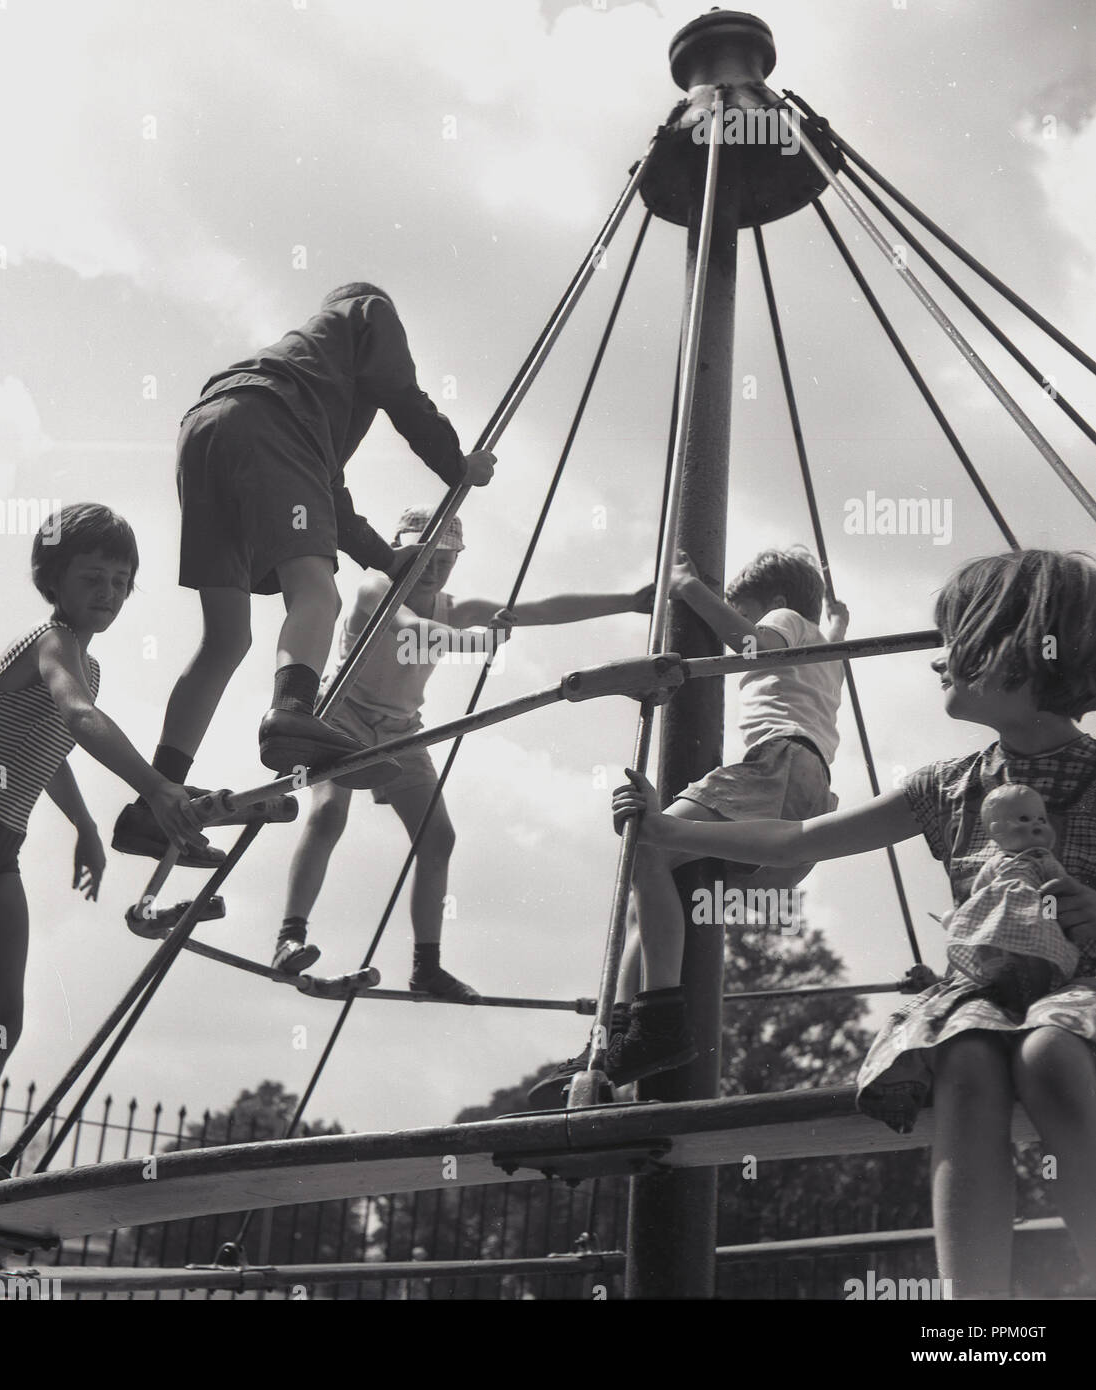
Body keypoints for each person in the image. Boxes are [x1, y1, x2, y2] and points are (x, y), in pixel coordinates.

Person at [610, 549, 1096, 1300]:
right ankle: (976, 1313)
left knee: (1048, 1053)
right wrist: (671, 833)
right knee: (964, 1058)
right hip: (993, 997)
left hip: (1081, 988)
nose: (939, 662)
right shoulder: (950, 786)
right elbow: (801, 839)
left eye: (958, 641)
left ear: (1020, 654)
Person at [0, 506, 211, 1242]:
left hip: (1, 843)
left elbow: (51, 743)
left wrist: (87, 826)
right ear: (53, 579)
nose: (111, 593)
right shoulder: (53, 642)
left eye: (123, 583)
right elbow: (80, 719)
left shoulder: (85, 661)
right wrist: (155, 788)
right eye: (94, 577)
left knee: (5, 1018)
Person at [113, 283, 495, 861]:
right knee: (317, 593)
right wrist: (456, 464)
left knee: (225, 638)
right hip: (266, 423)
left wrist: (386, 558)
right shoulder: (367, 311)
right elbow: (402, 392)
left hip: (205, 430)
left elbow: (325, 491)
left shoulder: (312, 377)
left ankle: (153, 801)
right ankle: (291, 713)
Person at [274, 504, 655, 1001]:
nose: (433, 567)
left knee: (439, 838)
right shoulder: (376, 587)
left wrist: (631, 601)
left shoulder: (455, 607)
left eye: (445, 557)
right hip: (341, 716)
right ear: (400, 551)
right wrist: (478, 644)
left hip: (400, 729)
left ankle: (426, 966)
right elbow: (408, 628)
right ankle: (290, 936)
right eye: (425, 554)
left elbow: (541, 609)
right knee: (327, 815)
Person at [530, 546, 848, 1104]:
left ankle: (653, 1023)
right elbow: (831, 629)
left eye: (744, 607)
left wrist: (687, 587)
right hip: (809, 790)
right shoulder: (830, 646)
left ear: (774, 603)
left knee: (645, 846)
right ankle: (616, 1039)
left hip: (776, 766)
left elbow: (751, 647)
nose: (742, 617)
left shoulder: (787, 620)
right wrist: (841, 618)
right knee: (649, 886)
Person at [942, 783, 1077, 1012]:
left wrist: (1051, 919)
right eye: (1025, 819)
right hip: (998, 919)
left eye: (1041, 820)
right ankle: (1000, 988)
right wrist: (969, 915)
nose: (1036, 824)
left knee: (1039, 955)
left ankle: (1040, 992)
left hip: (1033, 917)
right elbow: (979, 891)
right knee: (993, 952)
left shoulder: (1044, 860)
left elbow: (1054, 888)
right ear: (997, 831)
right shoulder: (996, 863)